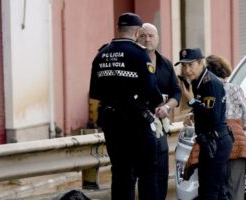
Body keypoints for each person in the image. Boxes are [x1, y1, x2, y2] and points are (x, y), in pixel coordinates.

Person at [89, 13, 163, 200]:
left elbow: (95, 92)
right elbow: (152, 90)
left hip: (111, 123)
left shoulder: (101, 54)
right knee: (147, 172)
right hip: (136, 121)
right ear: (138, 32)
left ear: (118, 28)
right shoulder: (139, 54)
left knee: (121, 172)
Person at [177, 48, 233, 200]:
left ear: (201, 63)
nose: (187, 70)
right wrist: (193, 114)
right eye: (184, 66)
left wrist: (191, 101)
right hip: (211, 141)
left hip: (216, 142)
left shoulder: (210, 83)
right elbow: (206, 110)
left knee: (209, 192)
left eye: (191, 65)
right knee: (219, 191)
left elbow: (213, 116)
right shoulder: (198, 81)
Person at [206, 55, 246, 200]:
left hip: (213, 143)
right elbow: (245, 118)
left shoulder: (205, 89)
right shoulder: (235, 89)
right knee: (236, 189)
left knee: (215, 188)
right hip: (236, 142)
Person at [136, 23, 182, 200]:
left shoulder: (166, 63)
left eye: (151, 36)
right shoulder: (134, 61)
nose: (147, 39)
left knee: (162, 171)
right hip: (139, 126)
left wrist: (167, 107)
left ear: (158, 38)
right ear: (137, 37)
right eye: (143, 35)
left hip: (160, 127)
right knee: (144, 173)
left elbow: (176, 92)